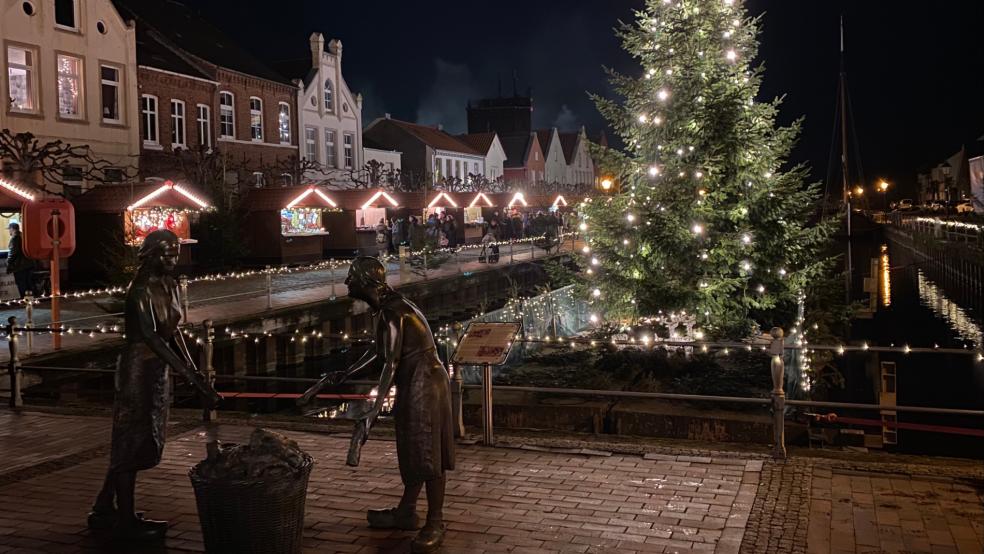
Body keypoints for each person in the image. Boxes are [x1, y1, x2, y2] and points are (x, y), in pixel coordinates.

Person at [298, 257, 454, 552]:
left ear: (367, 282)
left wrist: (373, 409)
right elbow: (380, 352)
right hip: (421, 380)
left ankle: (435, 521)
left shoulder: (392, 313)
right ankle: (407, 511)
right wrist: (346, 373)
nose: (346, 283)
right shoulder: (389, 308)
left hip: (424, 382)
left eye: (351, 277)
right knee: (415, 448)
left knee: (427, 451)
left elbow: (390, 364)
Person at [88, 230, 221, 541]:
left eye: (176, 254)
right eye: (166, 254)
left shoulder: (171, 285)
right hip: (138, 366)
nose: (172, 260)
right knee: (130, 435)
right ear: (149, 255)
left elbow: (173, 333)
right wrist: (191, 377)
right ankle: (124, 521)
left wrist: (194, 368)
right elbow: (151, 337)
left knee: (144, 436)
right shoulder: (140, 291)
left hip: (158, 366)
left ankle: (105, 504)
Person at [6, 222, 34, 298]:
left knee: (22, 284)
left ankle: (25, 300)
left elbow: (12, 253)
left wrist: (8, 263)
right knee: (29, 284)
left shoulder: (15, 238)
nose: (9, 231)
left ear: (12, 229)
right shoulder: (24, 236)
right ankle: (30, 300)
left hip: (19, 266)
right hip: (29, 264)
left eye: (9, 229)